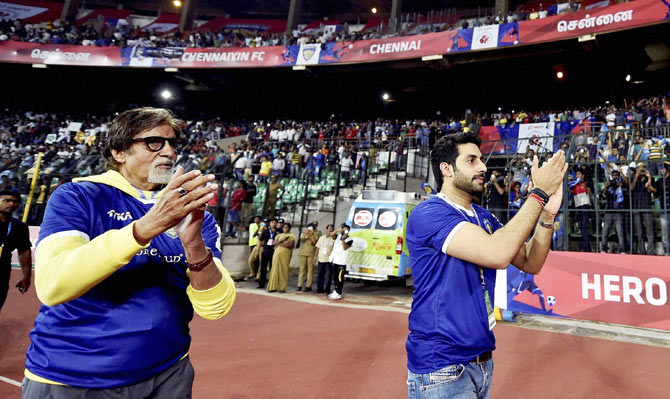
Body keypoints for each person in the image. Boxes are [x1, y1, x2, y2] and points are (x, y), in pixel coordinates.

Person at [23, 107, 236, 398]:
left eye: (173, 143)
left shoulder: (196, 215)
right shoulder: (78, 196)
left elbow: (216, 308)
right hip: (70, 377)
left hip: (167, 374)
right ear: (119, 151)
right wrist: (145, 228)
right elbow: (52, 285)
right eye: (154, 142)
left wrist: (194, 244)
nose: (169, 153)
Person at [405, 132, 567, 399]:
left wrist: (547, 215)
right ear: (447, 169)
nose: (483, 167)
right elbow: (497, 253)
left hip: (481, 361)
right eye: (471, 160)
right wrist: (538, 194)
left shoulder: (483, 215)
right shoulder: (429, 213)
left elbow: (530, 261)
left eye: (481, 159)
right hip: (441, 367)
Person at [0, 190, 32, 312]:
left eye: (15, 202)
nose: (11, 204)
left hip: (2, 269)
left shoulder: (20, 227)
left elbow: (24, 252)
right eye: (7, 200)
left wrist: (26, 276)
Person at [630, 163, 657, 254]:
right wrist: (636, 177)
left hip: (646, 206)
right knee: (639, 231)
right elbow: (631, 189)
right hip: (637, 206)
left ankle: (650, 251)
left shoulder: (651, 179)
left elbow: (651, 189)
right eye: (639, 168)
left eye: (643, 168)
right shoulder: (634, 179)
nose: (641, 170)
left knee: (649, 231)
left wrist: (649, 178)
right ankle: (642, 251)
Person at [600, 169, 628, 254]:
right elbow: (603, 195)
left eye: (617, 175)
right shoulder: (609, 185)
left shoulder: (621, 185)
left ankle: (622, 250)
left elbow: (627, 190)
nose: (615, 177)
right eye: (614, 175)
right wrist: (606, 186)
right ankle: (604, 249)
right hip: (609, 211)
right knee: (605, 232)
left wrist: (620, 186)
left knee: (620, 232)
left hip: (618, 211)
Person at [267, 222, 295, 293]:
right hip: (277, 253)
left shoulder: (291, 236)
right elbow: (274, 243)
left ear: (289, 228)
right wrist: (281, 241)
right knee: (274, 269)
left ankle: (282, 287)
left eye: (287, 227)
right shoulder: (279, 235)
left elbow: (290, 245)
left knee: (283, 269)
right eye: (284, 227)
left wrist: (280, 244)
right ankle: (272, 287)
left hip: (285, 254)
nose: (285, 228)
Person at [328, 224, 352, 300]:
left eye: (346, 230)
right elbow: (330, 235)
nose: (344, 231)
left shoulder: (349, 239)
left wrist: (343, 239)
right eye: (343, 229)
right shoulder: (338, 236)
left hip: (342, 262)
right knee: (334, 277)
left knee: (339, 278)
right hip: (335, 260)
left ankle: (339, 293)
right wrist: (338, 230)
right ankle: (335, 290)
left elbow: (345, 248)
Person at [296, 221, 321, 291]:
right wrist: (306, 233)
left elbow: (315, 243)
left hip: (311, 253)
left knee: (310, 270)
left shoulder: (317, 234)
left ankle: (308, 285)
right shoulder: (303, 233)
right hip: (303, 253)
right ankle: (299, 285)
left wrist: (311, 235)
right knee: (302, 270)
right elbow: (302, 240)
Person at [314, 224, 335, 294]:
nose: (330, 231)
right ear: (326, 230)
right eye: (329, 229)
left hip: (329, 260)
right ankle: (319, 289)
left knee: (328, 276)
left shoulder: (333, 239)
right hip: (321, 259)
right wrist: (315, 257)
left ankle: (327, 289)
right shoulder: (321, 238)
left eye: (331, 230)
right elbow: (318, 248)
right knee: (320, 274)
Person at [257, 217, 278, 289]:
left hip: (274, 250)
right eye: (272, 222)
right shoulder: (265, 231)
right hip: (266, 250)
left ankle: (271, 284)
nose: (273, 224)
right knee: (263, 267)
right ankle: (261, 283)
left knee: (272, 267)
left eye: (275, 222)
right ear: (270, 223)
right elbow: (260, 240)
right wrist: (258, 250)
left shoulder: (278, 232)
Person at [247, 216, 262, 280]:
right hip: (253, 244)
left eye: (258, 219)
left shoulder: (262, 226)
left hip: (259, 244)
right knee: (252, 260)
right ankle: (253, 273)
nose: (256, 220)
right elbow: (253, 235)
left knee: (259, 260)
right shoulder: (252, 225)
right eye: (255, 219)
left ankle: (258, 275)